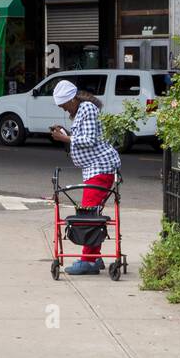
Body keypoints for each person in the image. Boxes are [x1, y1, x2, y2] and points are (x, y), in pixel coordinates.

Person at [49, 79, 121, 275]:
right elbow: (85, 136)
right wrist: (67, 134)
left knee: (88, 215)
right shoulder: (82, 110)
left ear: (72, 100)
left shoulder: (87, 108)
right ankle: (95, 257)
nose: (64, 110)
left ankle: (88, 260)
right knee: (92, 213)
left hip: (100, 168)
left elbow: (89, 140)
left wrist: (66, 138)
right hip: (94, 169)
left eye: (64, 105)